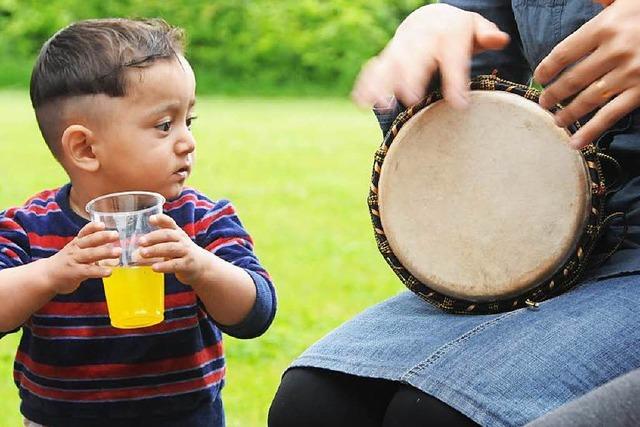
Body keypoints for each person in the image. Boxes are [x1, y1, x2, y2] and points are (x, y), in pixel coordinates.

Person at [269, 0, 640, 426]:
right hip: (550, 246)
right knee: (315, 402)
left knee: (438, 416)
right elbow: (478, 54)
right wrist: (433, 36)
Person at [0, 18, 276, 427]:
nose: (187, 141)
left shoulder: (200, 220)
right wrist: (52, 273)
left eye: (189, 121)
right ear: (85, 148)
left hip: (185, 418)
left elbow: (256, 312)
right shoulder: (29, 228)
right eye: (164, 125)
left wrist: (199, 266)